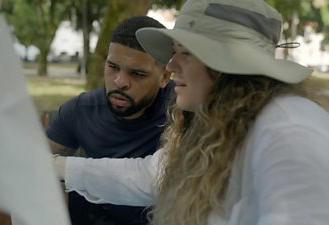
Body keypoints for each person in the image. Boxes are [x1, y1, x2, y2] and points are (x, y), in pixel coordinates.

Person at [54, 0, 329, 224]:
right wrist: (56, 166)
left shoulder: (289, 132)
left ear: (227, 63)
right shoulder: (223, 120)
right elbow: (151, 177)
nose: (170, 65)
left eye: (185, 52)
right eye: (174, 52)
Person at [47, 16, 173, 225]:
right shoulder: (80, 110)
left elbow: (158, 181)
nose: (120, 82)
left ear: (165, 77)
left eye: (137, 74)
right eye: (113, 67)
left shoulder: (181, 112)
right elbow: (33, 168)